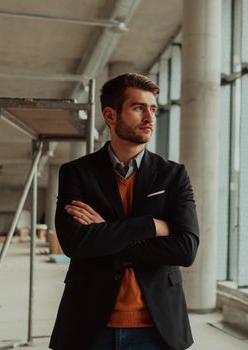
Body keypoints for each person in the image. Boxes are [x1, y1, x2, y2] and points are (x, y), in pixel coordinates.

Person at [49, 73, 199, 350]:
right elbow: (74, 243)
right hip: (89, 325)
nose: (150, 117)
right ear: (110, 114)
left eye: (152, 108)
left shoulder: (173, 175)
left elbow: (185, 249)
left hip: (158, 329)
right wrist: (151, 226)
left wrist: (107, 232)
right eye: (138, 107)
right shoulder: (77, 173)